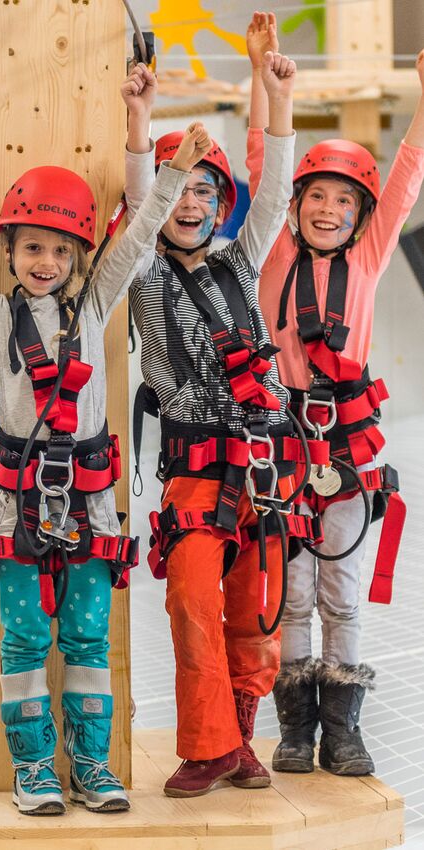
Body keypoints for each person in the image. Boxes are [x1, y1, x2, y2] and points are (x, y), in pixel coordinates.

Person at [0, 95, 211, 814]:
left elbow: (139, 235)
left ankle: (91, 765)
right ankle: (34, 769)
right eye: (33, 247)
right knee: (26, 636)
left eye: (62, 251)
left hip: (92, 505)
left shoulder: (93, 308)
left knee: (90, 636)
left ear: (78, 259)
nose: (47, 261)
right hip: (19, 508)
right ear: (9, 251)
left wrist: (173, 166)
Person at [245, 11, 424, 776]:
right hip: (283, 440)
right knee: (290, 591)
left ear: (359, 215)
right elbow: (264, 162)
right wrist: (264, 76)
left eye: (343, 203)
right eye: (315, 197)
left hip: (347, 446)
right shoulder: (276, 245)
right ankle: (294, 729)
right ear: (296, 205)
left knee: (341, 588)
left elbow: (409, 175)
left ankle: (343, 730)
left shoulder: (373, 254)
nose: (326, 209)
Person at [123, 48, 300, 797]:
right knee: (193, 600)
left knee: (256, 614)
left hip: (264, 466)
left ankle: (241, 739)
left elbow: (276, 196)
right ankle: (205, 746)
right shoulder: (142, 269)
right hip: (196, 471)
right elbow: (140, 209)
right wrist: (141, 121)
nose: (189, 203)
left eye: (202, 188)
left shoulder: (241, 257)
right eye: (178, 189)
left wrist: (276, 95)